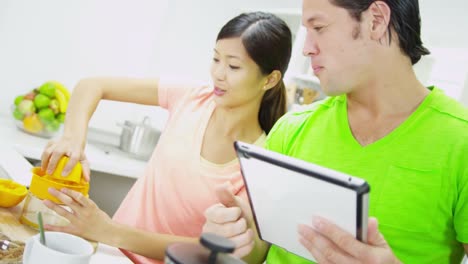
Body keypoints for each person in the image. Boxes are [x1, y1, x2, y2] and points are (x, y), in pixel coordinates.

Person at [203, 0, 468, 263]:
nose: (306, 49)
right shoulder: (293, 128)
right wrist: (238, 238)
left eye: (318, 27)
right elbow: (259, 252)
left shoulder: (460, 141)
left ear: (375, 20)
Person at [39, 12, 292, 264]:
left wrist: (110, 231)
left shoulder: (258, 163)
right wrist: (72, 139)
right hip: (112, 255)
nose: (218, 73)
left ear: (270, 79)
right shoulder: (192, 97)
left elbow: (215, 250)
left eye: (233, 66)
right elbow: (92, 85)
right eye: (216, 59)